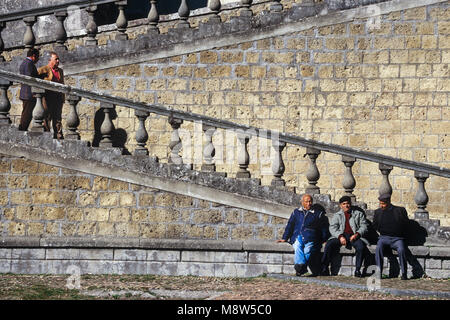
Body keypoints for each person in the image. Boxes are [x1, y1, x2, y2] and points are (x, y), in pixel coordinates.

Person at [277, 194, 329, 276]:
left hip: (311, 237)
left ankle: (299, 269)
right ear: (302, 202)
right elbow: (290, 225)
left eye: (310, 201)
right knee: (297, 246)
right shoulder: (296, 212)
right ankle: (301, 269)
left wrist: (324, 240)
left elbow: (323, 228)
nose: (309, 203)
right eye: (306, 202)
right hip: (297, 236)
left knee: (307, 251)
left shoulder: (318, 214)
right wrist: (285, 238)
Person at [321, 196, 371, 277]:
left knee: (361, 247)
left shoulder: (358, 214)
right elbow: (332, 227)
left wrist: (357, 234)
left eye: (347, 203)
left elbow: (364, 226)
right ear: (341, 205)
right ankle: (324, 267)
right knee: (329, 244)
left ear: (350, 204)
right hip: (341, 235)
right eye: (344, 204)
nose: (346, 206)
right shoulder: (337, 215)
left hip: (354, 236)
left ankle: (358, 270)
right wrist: (340, 236)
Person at [372, 193, 410, 280]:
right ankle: (378, 273)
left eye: (383, 203)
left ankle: (404, 273)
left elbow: (406, 224)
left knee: (401, 249)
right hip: (384, 237)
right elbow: (374, 225)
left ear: (388, 202)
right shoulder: (378, 212)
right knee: (378, 248)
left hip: (397, 238)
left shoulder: (399, 210)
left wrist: (400, 233)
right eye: (380, 203)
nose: (381, 205)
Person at [37, 51, 65, 139]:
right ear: (50, 60)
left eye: (58, 59)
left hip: (58, 98)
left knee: (57, 118)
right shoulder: (43, 69)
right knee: (47, 117)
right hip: (48, 97)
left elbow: (62, 84)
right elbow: (35, 79)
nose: (58, 61)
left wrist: (63, 97)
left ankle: (59, 136)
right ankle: (47, 135)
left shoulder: (60, 71)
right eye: (56, 59)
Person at [18, 48, 40, 131]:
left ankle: (22, 129)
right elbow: (29, 79)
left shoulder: (24, 63)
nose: (38, 59)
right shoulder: (29, 64)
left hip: (25, 93)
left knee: (26, 113)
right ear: (34, 56)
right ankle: (22, 130)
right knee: (27, 114)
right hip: (29, 94)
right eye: (38, 57)